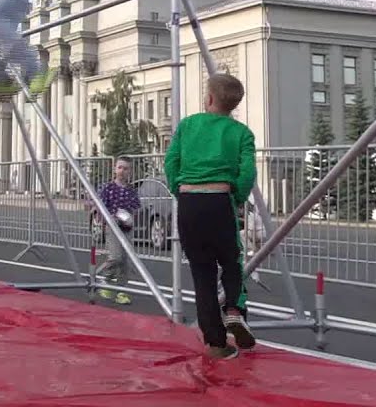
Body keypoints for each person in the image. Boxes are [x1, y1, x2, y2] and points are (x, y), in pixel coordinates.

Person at [163, 73, 257, 360]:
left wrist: (180, 190)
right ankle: (234, 310)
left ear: (210, 98)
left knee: (202, 273)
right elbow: (247, 173)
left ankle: (216, 343)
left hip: (189, 203)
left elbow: (171, 162)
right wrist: (236, 196)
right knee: (231, 261)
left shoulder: (187, 125)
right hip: (220, 200)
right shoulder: (242, 133)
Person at [95, 157, 140, 305]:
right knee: (116, 257)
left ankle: (122, 291)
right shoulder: (108, 188)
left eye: (125, 168)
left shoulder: (131, 190)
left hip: (126, 228)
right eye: (120, 167)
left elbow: (136, 207)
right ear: (115, 169)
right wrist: (107, 219)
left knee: (125, 260)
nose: (122, 171)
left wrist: (130, 217)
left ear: (129, 171)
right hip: (112, 227)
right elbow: (100, 206)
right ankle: (106, 279)